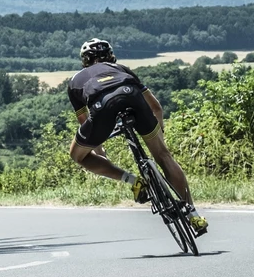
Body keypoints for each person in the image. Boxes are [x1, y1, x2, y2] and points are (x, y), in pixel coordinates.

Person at [66, 38, 207, 236]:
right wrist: (159, 135)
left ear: (85, 60)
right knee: (164, 156)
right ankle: (193, 215)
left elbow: (84, 121)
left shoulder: (74, 81)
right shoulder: (121, 69)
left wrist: (99, 150)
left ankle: (133, 180)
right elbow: (156, 107)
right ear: (110, 56)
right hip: (132, 96)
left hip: (102, 107)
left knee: (77, 155)